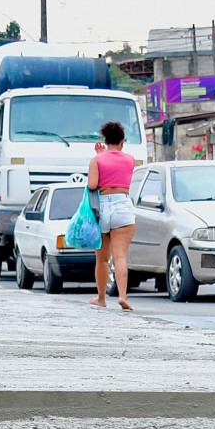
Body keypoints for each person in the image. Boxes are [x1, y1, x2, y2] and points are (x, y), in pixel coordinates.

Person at [86, 120, 137, 309]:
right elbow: (117, 164)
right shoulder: (130, 159)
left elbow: (92, 185)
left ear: (105, 140)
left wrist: (100, 156)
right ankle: (123, 296)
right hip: (122, 205)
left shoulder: (97, 160)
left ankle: (101, 298)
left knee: (102, 258)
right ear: (122, 142)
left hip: (102, 208)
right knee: (120, 256)